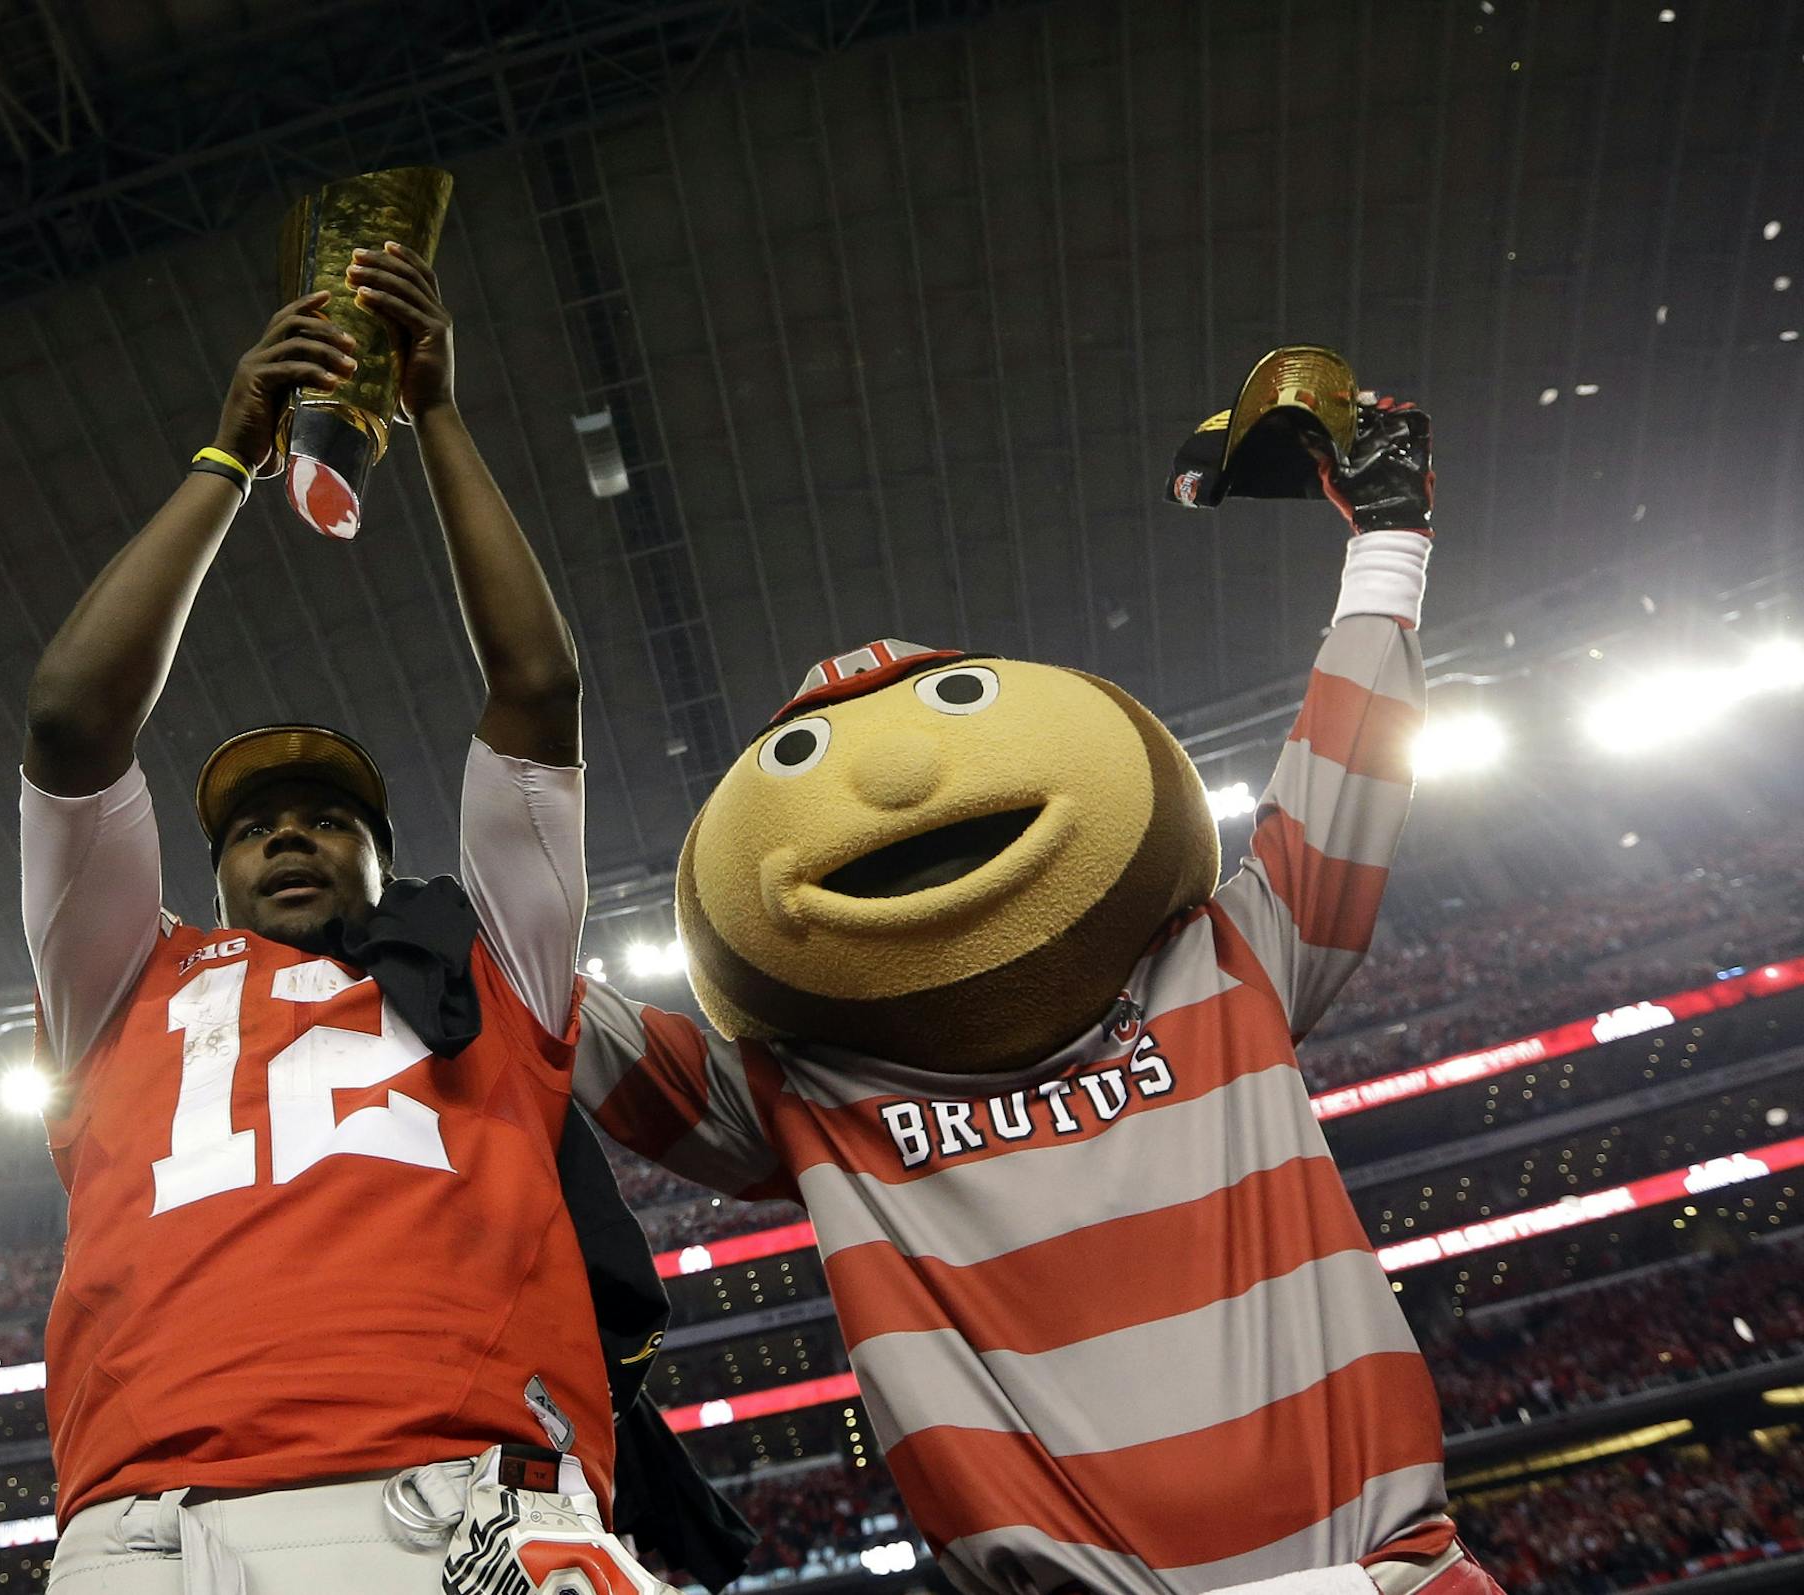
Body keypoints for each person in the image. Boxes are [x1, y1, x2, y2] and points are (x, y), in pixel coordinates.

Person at [573, 401, 1509, 1594]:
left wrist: (1388, 541)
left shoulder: (1224, 959)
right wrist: (412, 913)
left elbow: (1347, 774)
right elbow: (541, 990)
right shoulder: (804, 1092)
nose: (902, 780)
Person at [20, 240, 671, 1593]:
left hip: (477, 1501)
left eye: (330, 817)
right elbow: (73, 721)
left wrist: (436, 413)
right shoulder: (122, 982)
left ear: (390, 859)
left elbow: (538, 688)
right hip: (159, 1524)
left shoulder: (497, 963)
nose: (291, 831)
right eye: (254, 825)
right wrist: (227, 460)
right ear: (207, 880)